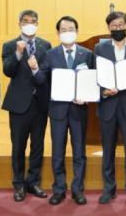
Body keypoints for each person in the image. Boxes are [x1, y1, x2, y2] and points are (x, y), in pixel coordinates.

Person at [35, 16, 94, 206]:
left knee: (79, 153)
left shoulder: (87, 54)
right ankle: (59, 189)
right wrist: (35, 69)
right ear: (58, 33)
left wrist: (86, 96)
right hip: (58, 111)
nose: (68, 32)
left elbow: (93, 80)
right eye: (64, 30)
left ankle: (78, 190)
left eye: (71, 29)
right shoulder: (50, 54)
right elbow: (41, 79)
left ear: (77, 31)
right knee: (58, 152)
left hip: (79, 110)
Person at [94, 11, 126, 206]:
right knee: (108, 150)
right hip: (108, 105)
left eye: (121, 25)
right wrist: (103, 92)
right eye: (114, 26)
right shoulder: (100, 48)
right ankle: (109, 188)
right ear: (108, 27)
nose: (118, 28)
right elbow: (94, 74)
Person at [1, 9, 52, 202]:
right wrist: (18, 53)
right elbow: (8, 71)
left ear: (37, 24)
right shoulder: (9, 45)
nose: (29, 24)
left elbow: (47, 74)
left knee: (37, 146)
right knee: (18, 146)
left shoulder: (45, 45)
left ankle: (33, 182)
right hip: (18, 104)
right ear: (19, 23)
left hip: (40, 104)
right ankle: (19, 184)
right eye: (26, 21)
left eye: (33, 21)